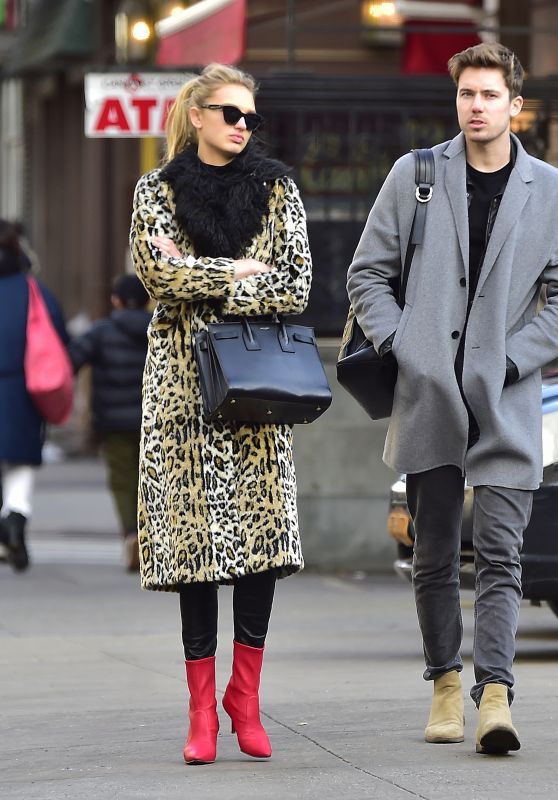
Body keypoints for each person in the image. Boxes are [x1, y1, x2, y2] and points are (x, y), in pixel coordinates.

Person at [347, 42, 558, 755]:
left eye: (489, 95)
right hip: (429, 397)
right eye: (466, 94)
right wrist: (407, 346)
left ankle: (494, 694)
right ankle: (444, 683)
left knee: (501, 555)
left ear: (514, 107)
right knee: (435, 553)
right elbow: (367, 276)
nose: (476, 106)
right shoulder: (417, 176)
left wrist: (510, 361)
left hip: (507, 404)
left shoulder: (550, 190)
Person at [129, 63, 312, 764]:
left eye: (250, 118)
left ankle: (246, 695)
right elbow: (158, 276)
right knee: (197, 551)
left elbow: (293, 285)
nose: (242, 127)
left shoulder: (278, 190)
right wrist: (238, 272)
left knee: (260, 545)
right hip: (181, 392)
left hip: (260, 387)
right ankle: (202, 711)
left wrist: (206, 277)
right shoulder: (156, 191)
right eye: (231, 114)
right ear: (198, 115)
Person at [68, 274, 151, 572]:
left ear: (115, 300)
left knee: (122, 479)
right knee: (151, 479)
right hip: (154, 422)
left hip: (113, 421)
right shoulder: (159, 328)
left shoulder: (101, 331)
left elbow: (70, 361)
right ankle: (152, 536)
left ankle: (131, 535)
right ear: (147, 300)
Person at [0, 219, 69, 571]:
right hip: (20, 387)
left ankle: (6, 528)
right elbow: (58, 333)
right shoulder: (30, 289)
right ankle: (15, 515)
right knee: (20, 462)